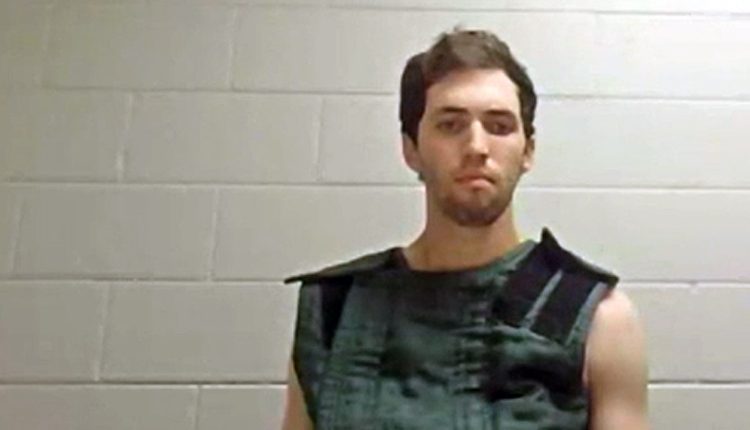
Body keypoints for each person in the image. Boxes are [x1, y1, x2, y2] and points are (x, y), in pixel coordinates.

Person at [281, 28, 648, 430]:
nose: (476, 147)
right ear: (411, 149)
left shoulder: (599, 318)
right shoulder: (334, 310)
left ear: (527, 151)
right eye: (451, 125)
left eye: (499, 126)